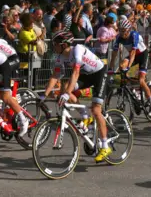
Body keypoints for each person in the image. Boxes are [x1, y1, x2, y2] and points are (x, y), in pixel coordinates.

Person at [41, 30, 110, 162]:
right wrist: (44, 95)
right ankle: (85, 116)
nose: (53, 46)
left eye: (55, 44)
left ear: (63, 44)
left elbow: (76, 73)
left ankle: (105, 146)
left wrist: (67, 94)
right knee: (65, 88)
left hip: (99, 74)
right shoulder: (60, 57)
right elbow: (56, 76)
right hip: (87, 75)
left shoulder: (77, 50)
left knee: (96, 110)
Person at [111, 19, 151, 116]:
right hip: (134, 56)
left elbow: (133, 53)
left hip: (142, 55)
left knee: (141, 80)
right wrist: (111, 68)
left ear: (128, 29)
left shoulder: (134, 35)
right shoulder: (119, 37)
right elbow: (114, 53)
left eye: (124, 30)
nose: (122, 33)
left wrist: (129, 68)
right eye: (120, 30)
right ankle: (134, 92)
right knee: (123, 66)